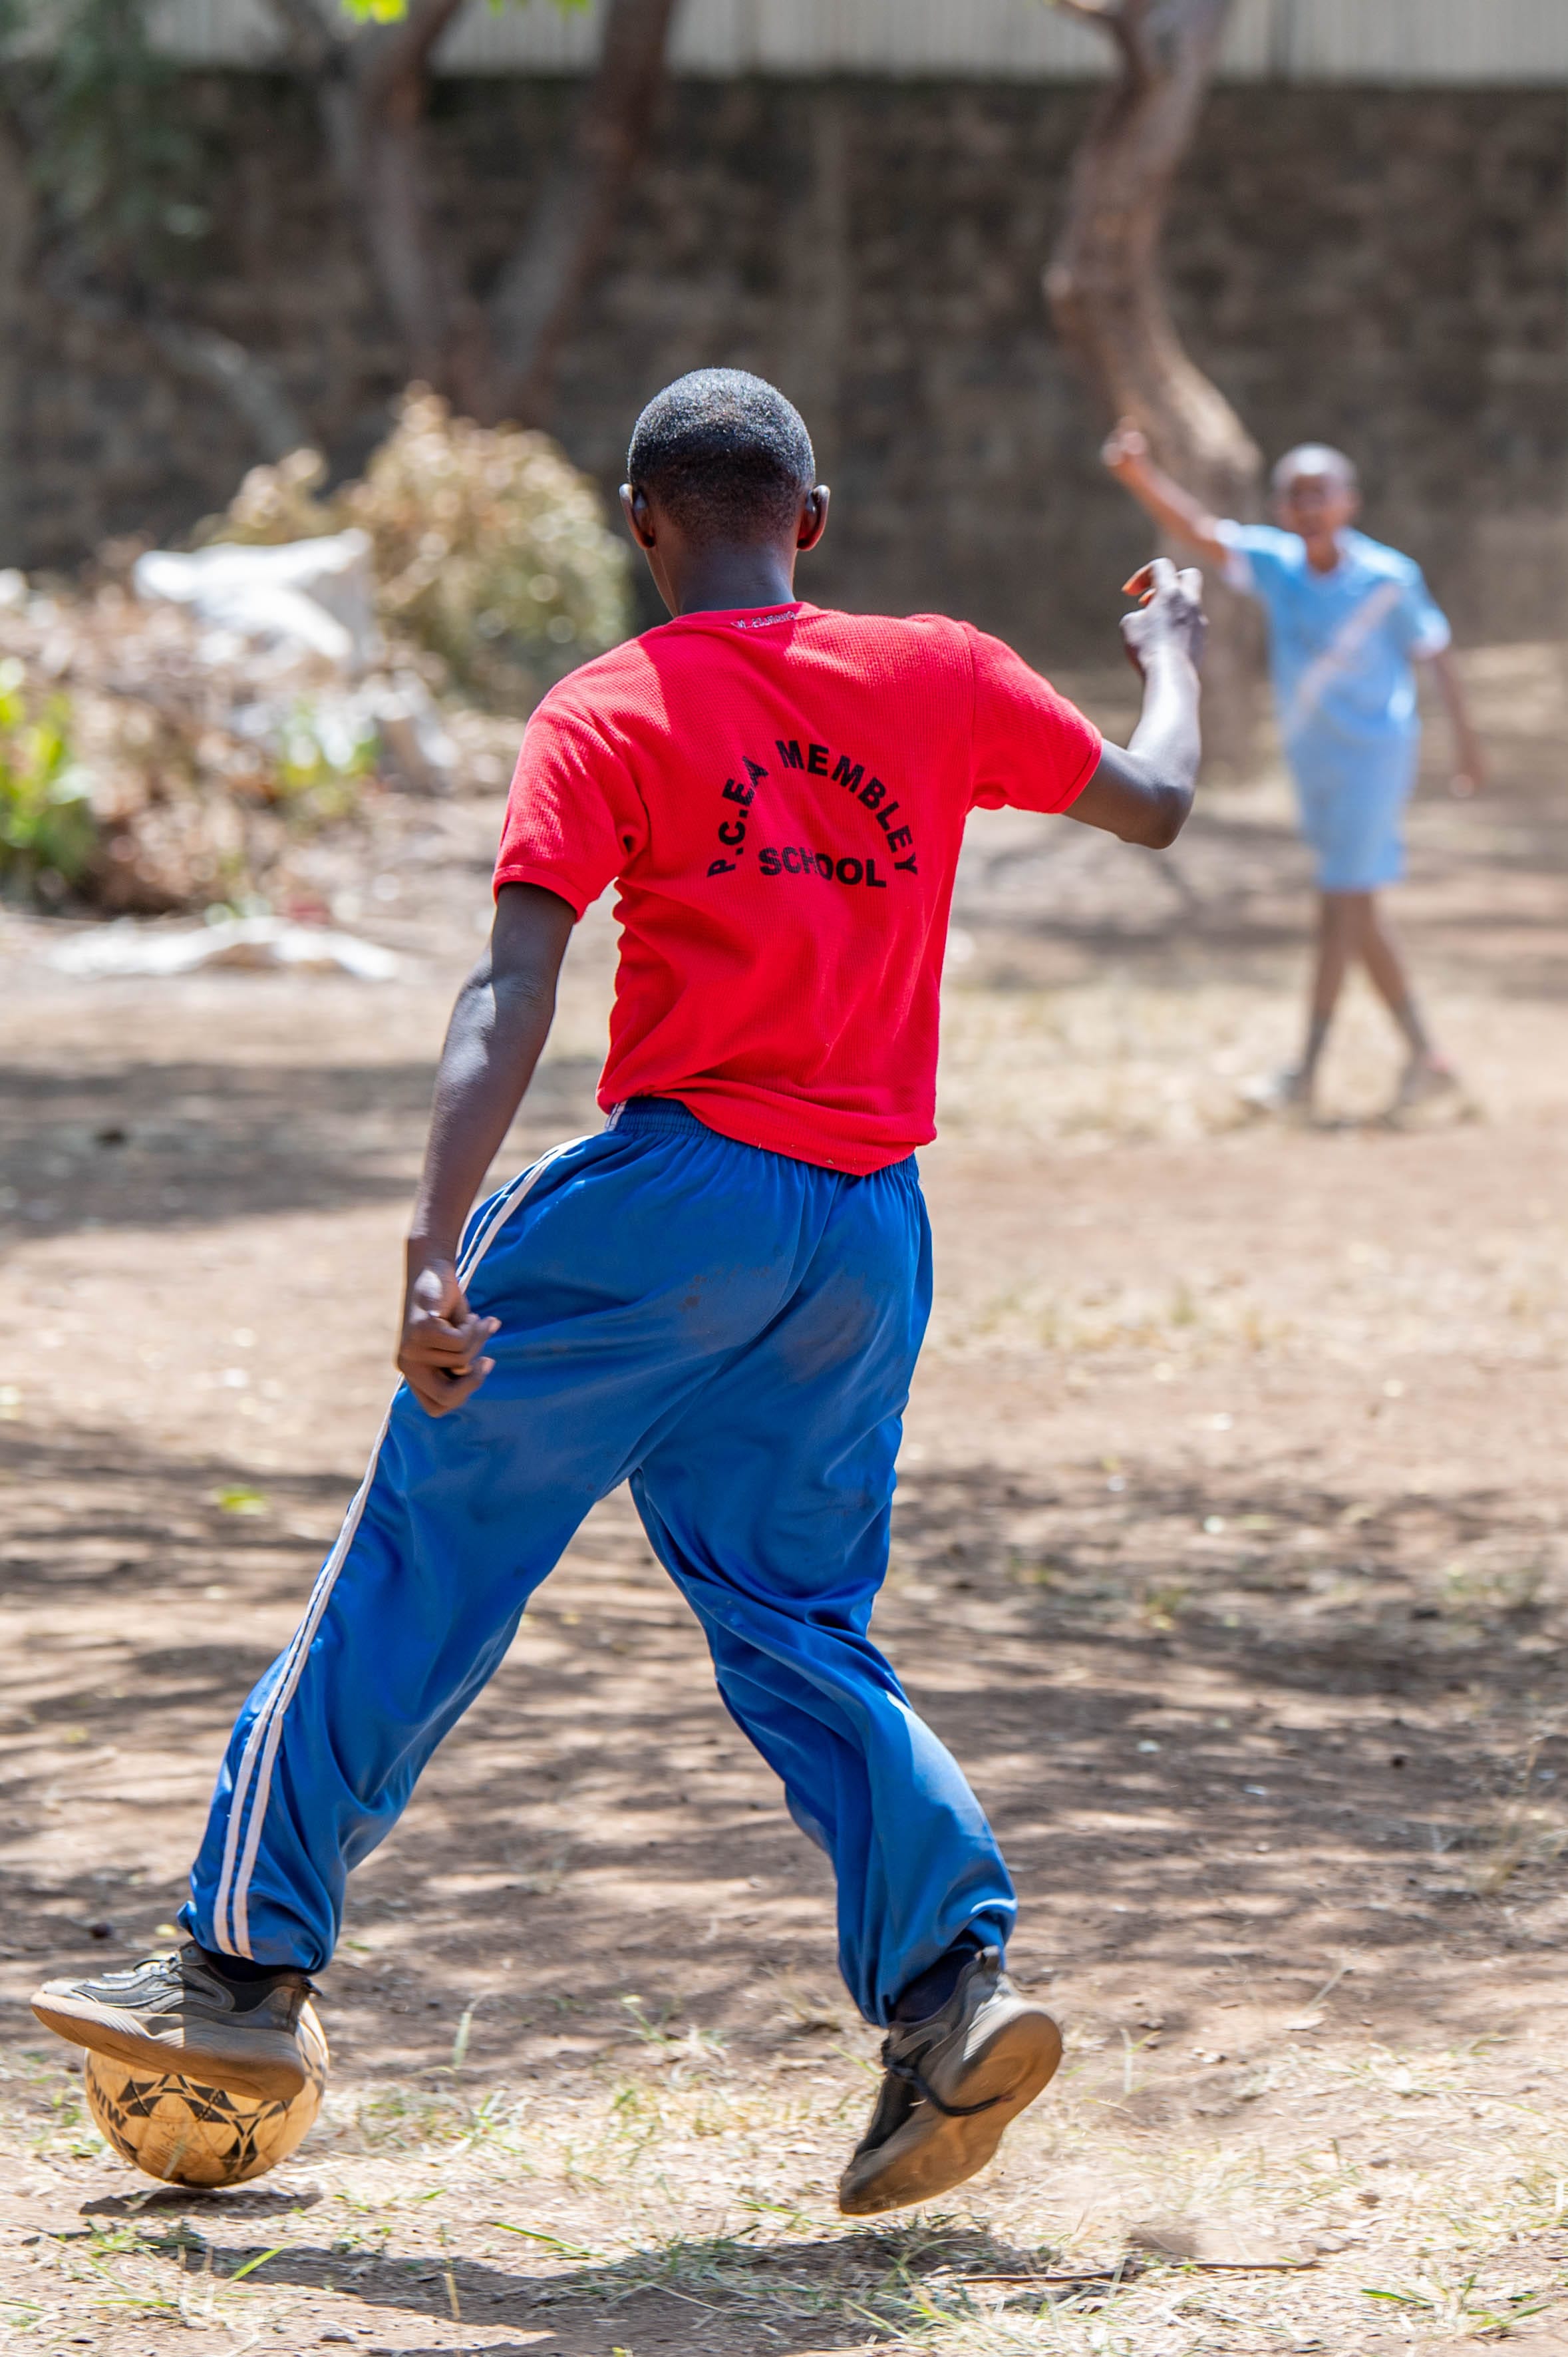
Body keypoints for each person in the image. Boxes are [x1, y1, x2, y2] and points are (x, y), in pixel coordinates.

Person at [34, 371, 1204, 2217]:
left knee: (425, 1554)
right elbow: (1154, 797)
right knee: (798, 1621)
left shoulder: (612, 702)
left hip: (663, 1203)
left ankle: (241, 1972)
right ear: (808, 519)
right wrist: (1181, 642)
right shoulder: (941, 671)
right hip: (863, 1231)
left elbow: (513, 979)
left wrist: (433, 1238)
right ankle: (948, 1983)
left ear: (636, 523)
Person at [1102, 421, 1485, 1121]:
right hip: (1315, 763)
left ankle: (1304, 1073)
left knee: (1339, 904)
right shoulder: (1275, 564)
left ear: (1349, 501)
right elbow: (1199, 529)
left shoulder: (1387, 578)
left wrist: (1465, 744)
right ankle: (1430, 1062)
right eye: (1294, 495)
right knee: (1356, 908)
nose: (1307, 506)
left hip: (1374, 759)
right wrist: (1137, 475)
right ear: (1280, 509)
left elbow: (1437, 653)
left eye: (1320, 492)